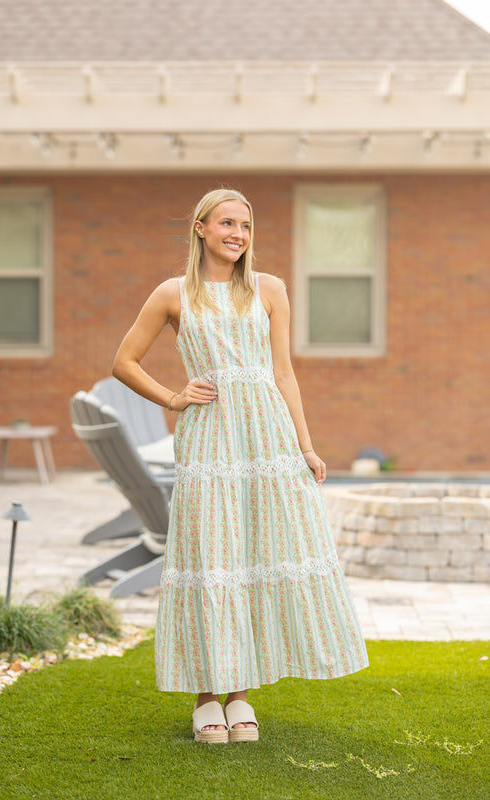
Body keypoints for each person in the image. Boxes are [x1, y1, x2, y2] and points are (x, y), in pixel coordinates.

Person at [112, 188, 368, 744]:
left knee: (255, 552)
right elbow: (123, 362)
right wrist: (173, 398)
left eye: (246, 226)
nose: (238, 234)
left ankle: (241, 694)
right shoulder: (173, 293)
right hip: (209, 439)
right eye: (227, 223)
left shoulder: (270, 289)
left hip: (267, 438)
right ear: (201, 227)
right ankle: (206, 695)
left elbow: (284, 373)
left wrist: (305, 446)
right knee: (212, 556)